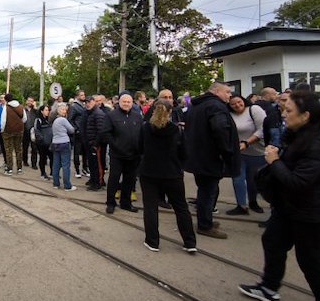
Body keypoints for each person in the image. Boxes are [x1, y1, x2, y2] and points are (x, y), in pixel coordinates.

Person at [238, 91, 320, 301]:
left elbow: (298, 182)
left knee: (311, 260)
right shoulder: (300, 134)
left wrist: (274, 161)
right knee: (273, 241)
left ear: (306, 115)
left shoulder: (318, 143)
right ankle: (269, 287)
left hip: (311, 212)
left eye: (289, 111)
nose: (283, 115)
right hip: (289, 208)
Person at [184, 82, 240, 239]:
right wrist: (226, 152)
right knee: (208, 192)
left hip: (198, 156)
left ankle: (205, 219)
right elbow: (220, 130)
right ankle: (205, 225)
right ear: (216, 91)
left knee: (205, 191)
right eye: (227, 92)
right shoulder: (216, 106)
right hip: (210, 157)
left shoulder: (196, 105)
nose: (230, 95)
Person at [138, 100, 196, 253]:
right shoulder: (176, 130)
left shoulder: (145, 128)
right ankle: (190, 242)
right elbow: (184, 153)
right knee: (181, 208)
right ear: (170, 112)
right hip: (172, 173)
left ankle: (152, 241)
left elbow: (139, 148)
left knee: (150, 208)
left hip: (149, 172)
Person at [101, 92, 143, 213]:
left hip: (133, 155)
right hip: (117, 155)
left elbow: (141, 133)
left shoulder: (137, 116)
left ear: (132, 103)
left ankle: (126, 203)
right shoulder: (111, 115)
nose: (126, 104)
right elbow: (106, 133)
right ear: (119, 102)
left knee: (129, 180)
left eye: (128, 102)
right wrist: (115, 145)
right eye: (124, 101)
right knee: (114, 179)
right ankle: (110, 203)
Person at [227, 94, 267, 215]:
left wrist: (246, 142)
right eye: (233, 104)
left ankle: (253, 202)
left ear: (243, 100)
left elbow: (262, 129)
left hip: (257, 152)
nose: (237, 105)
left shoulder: (254, 110)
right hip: (239, 152)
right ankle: (241, 206)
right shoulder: (229, 115)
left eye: (239, 102)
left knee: (253, 180)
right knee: (237, 179)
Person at [51, 103, 77, 191]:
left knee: (56, 164)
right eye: (63, 110)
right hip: (64, 143)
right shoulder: (63, 120)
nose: (65, 111)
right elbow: (71, 130)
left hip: (55, 143)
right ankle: (67, 185)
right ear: (59, 111)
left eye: (65, 110)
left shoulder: (55, 121)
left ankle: (56, 183)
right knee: (66, 165)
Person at [0, 93, 26, 175]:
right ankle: (19, 168)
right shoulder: (21, 107)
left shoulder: (6, 108)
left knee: (9, 150)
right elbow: (24, 119)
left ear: (6, 100)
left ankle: (9, 168)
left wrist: (2, 130)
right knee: (18, 149)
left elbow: (3, 121)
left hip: (8, 131)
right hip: (19, 131)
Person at [84, 95, 107, 190]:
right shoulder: (91, 113)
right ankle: (94, 181)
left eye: (89, 102)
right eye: (86, 102)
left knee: (97, 164)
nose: (87, 104)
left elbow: (100, 130)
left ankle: (97, 183)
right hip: (91, 142)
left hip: (96, 144)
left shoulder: (98, 113)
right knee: (93, 164)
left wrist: (95, 144)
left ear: (94, 102)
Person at [68, 89, 88, 179]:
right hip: (78, 132)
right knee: (77, 152)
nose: (83, 96)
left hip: (85, 132)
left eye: (84, 95)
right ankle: (77, 170)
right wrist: (76, 129)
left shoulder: (85, 105)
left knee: (85, 152)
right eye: (81, 95)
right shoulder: (74, 106)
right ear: (77, 96)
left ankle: (85, 168)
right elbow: (70, 119)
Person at [34, 104, 54, 180]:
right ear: (41, 111)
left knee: (52, 157)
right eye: (46, 110)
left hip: (49, 142)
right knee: (42, 158)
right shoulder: (38, 120)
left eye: (48, 110)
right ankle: (43, 173)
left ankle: (52, 173)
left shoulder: (49, 119)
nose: (47, 111)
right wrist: (42, 139)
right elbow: (37, 130)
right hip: (42, 143)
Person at [22, 97, 39, 170]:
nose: (30, 102)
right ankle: (25, 160)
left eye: (31, 101)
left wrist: (35, 108)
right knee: (25, 147)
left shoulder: (35, 111)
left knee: (34, 148)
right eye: (29, 101)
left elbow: (39, 116)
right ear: (26, 101)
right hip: (25, 130)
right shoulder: (23, 109)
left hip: (33, 131)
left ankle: (34, 163)